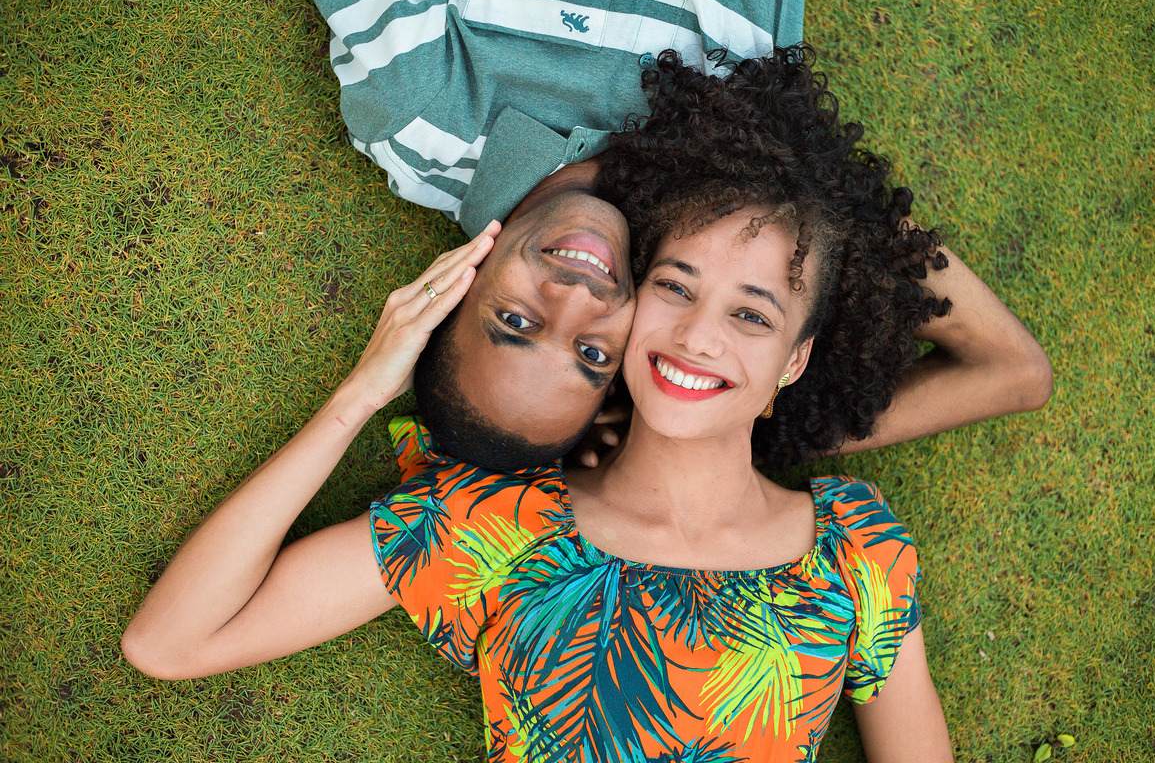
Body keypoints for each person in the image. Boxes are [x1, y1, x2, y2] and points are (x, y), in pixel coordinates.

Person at [122, 47, 1048, 760]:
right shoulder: (491, 527)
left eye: (753, 314)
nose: (698, 339)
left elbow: (1016, 373)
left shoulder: (853, 550)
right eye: (676, 288)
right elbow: (170, 642)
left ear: (796, 363)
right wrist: (363, 393)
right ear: (628, 307)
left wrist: (834, 205)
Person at [300, 0, 810, 467]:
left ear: (453, 293)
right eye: (592, 354)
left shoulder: (423, 120)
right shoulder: (741, 174)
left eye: (516, 320)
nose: (575, 298)